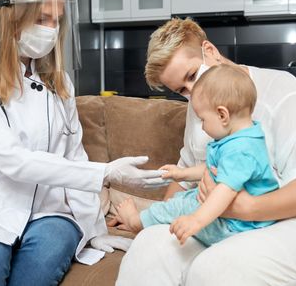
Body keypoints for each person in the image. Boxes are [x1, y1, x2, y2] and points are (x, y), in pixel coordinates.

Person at [0, 0, 167, 286]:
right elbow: (13, 161)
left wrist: (95, 228)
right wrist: (106, 172)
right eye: (42, 19)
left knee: (39, 267)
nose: (51, 30)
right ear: (11, 18)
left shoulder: (60, 84)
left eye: (57, 21)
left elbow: (73, 156)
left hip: (50, 213)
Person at [116, 17, 296, 286]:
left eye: (193, 76)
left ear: (210, 51)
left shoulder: (284, 91)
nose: (192, 92)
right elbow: (184, 183)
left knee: (213, 270)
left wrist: (241, 207)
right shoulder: (202, 108)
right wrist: (159, 219)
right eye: (182, 90)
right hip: (225, 225)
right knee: (150, 246)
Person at [115, 64, 279, 246]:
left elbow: (226, 190)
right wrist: (182, 173)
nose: (202, 126)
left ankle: (136, 222)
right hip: (237, 221)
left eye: (203, 119)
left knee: (181, 207)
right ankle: (152, 217)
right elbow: (214, 169)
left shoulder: (240, 149)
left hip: (235, 227)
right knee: (183, 199)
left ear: (222, 115)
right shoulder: (241, 138)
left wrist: (197, 220)